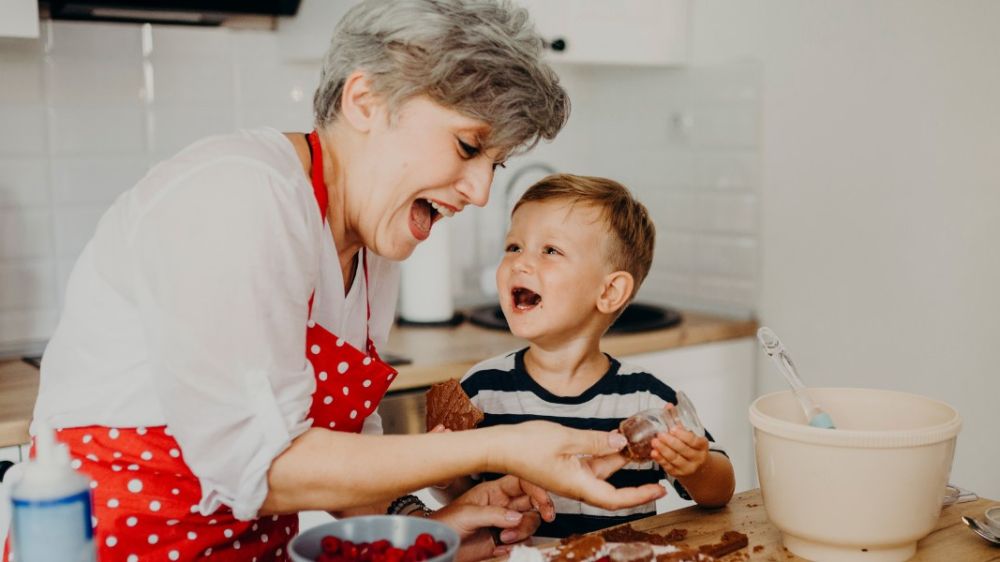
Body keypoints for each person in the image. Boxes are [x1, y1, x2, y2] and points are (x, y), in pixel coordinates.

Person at [4, 2, 667, 561]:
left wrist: (425, 523)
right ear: (365, 99)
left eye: (495, 164)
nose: (479, 192)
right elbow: (264, 467)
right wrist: (505, 443)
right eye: (469, 148)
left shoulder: (371, 240)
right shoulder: (240, 197)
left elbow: (342, 455)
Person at [447, 174, 736, 537]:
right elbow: (459, 500)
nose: (520, 263)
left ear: (610, 291)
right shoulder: (481, 389)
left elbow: (721, 490)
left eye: (550, 251)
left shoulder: (644, 399)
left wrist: (695, 467)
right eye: (514, 247)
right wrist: (447, 474)